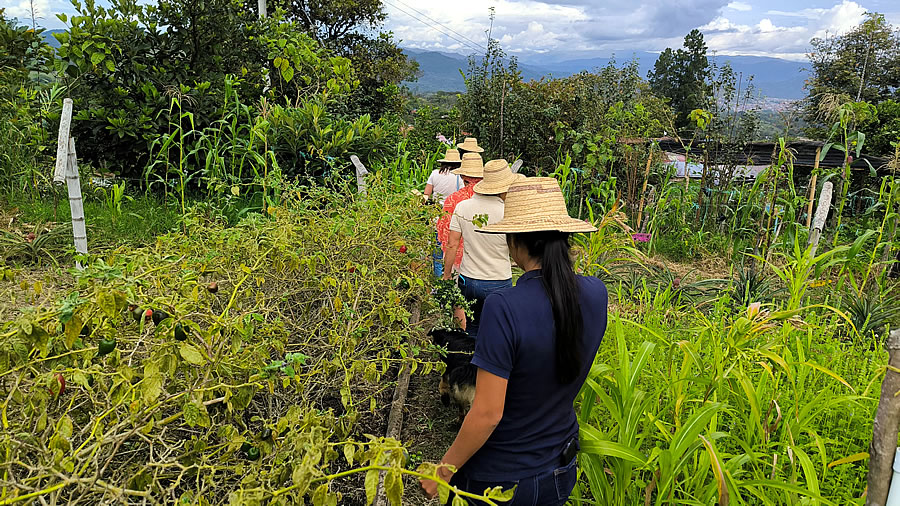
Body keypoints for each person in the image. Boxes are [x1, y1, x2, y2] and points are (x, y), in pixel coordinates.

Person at [421, 177, 608, 505]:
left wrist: (445, 469)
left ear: (515, 240)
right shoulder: (596, 294)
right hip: (560, 469)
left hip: (502, 480)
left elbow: (487, 413)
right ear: (564, 237)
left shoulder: (504, 307)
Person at [442, 159, 524, 337]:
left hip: (468, 280)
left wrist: (447, 274)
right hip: (498, 280)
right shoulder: (507, 211)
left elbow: (452, 244)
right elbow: (516, 248)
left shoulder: (462, 207)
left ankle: (470, 362)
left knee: (471, 328)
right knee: (496, 331)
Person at [436, 153, 483, 277]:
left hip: (460, 264)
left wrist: (446, 274)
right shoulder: (494, 199)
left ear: (462, 176)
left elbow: (448, 238)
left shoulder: (454, 200)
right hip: (488, 267)